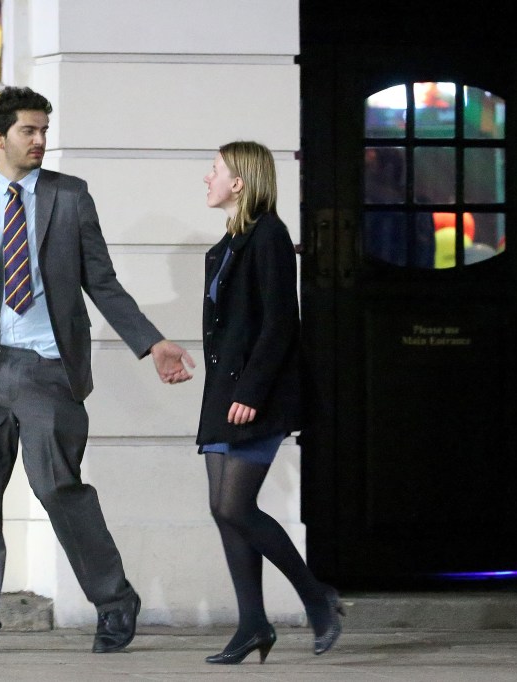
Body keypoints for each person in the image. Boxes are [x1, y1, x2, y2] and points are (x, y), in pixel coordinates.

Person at [0, 86, 195, 656]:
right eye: (29, 130)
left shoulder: (69, 197)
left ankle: (115, 600)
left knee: (58, 487)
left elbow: (102, 281)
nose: (40, 140)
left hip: (47, 368)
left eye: (44, 130)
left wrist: (151, 343)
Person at [198, 141, 344, 663]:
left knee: (236, 505)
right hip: (224, 394)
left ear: (239, 183)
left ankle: (316, 597)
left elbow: (281, 323)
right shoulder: (226, 246)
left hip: (255, 395)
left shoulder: (270, 237)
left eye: (214, 170)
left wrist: (252, 393)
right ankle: (253, 625)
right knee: (223, 510)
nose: (206, 178)